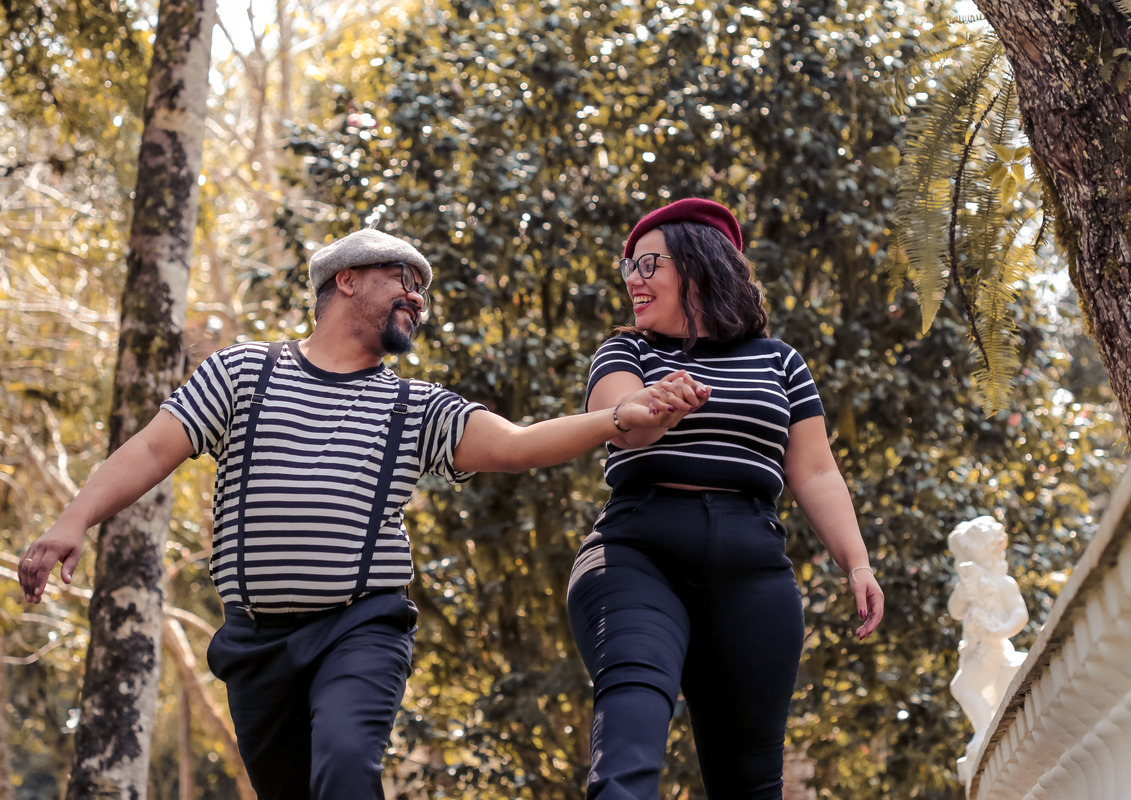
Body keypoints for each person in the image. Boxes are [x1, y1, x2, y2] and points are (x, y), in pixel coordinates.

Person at [18, 226, 709, 800]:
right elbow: (149, 449)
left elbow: (517, 444)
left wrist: (619, 417)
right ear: (344, 280)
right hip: (255, 642)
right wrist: (72, 521)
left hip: (360, 627)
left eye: (423, 290)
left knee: (347, 765)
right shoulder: (243, 374)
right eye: (402, 279)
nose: (418, 297)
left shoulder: (416, 407)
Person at [566, 198, 885, 799]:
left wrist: (858, 564)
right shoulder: (627, 352)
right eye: (628, 266)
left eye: (648, 264)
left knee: (751, 783)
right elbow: (620, 420)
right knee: (631, 725)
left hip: (753, 569)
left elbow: (816, 471)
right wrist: (655, 405)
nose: (632, 280)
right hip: (636, 553)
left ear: (700, 264)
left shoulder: (780, 361)